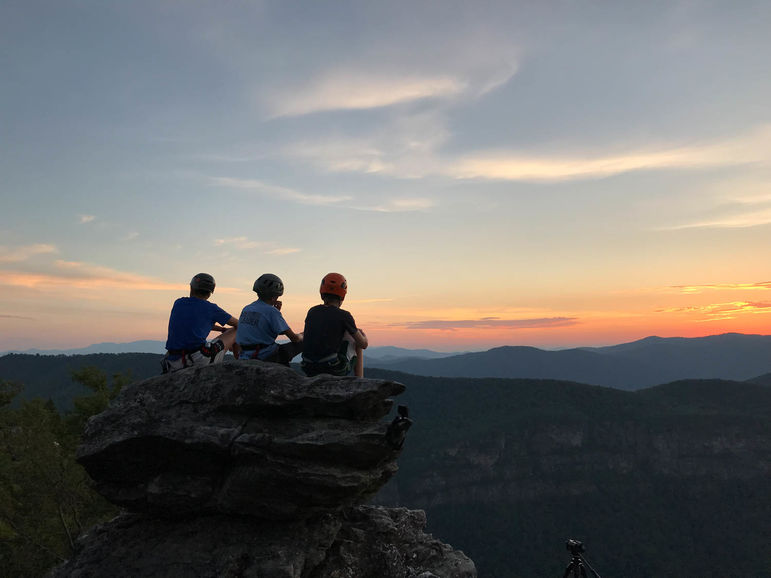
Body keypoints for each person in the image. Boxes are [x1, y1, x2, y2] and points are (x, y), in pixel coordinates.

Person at [162, 273, 238, 373]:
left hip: (172, 362)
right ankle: (242, 361)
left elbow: (197, 323)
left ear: (191, 288)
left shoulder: (179, 303)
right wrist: (230, 336)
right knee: (236, 330)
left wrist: (222, 329)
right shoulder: (211, 309)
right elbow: (239, 324)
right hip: (197, 359)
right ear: (210, 293)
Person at [301, 272, 368, 377]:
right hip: (332, 368)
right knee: (356, 338)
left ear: (322, 293)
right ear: (343, 296)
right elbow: (363, 344)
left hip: (308, 367)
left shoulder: (312, 311)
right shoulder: (344, 315)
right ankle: (360, 381)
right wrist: (363, 336)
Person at [236, 273, 303, 365]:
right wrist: (302, 335)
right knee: (307, 339)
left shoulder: (247, 308)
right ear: (274, 296)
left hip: (245, 355)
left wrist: (276, 312)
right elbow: (294, 338)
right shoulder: (271, 311)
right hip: (264, 356)